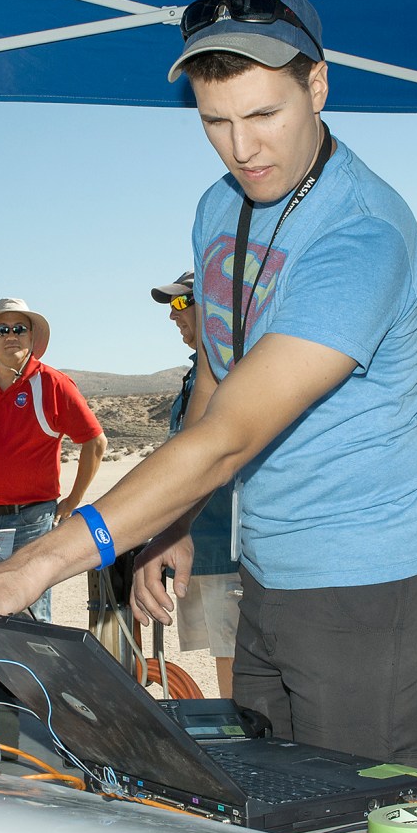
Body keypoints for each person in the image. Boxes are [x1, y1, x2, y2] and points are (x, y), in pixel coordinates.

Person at [0, 0, 417, 769]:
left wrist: (36, 564)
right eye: (217, 123)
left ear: (318, 85)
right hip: (268, 567)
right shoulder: (222, 207)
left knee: (353, 830)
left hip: (367, 575)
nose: (243, 148)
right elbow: (217, 372)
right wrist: (172, 521)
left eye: (265, 116)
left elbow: (231, 436)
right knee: (265, 806)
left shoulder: (361, 232)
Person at [0, 297, 107, 622]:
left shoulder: (52, 385)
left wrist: (73, 500)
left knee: (30, 617)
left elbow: (95, 442)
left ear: (32, 338)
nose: (12, 335)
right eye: (2, 329)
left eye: (20, 329)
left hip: (32, 521)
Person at [151, 270, 241, 697]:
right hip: (201, 543)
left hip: (229, 546)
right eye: (172, 307)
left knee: (236, 658)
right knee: (224, 654)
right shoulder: (196, 374)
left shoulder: (233, 369)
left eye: (184, 303)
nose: (174, 316)